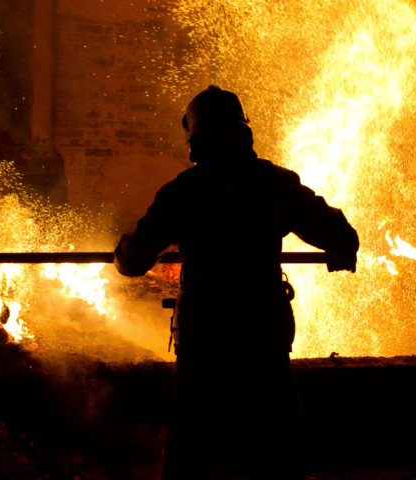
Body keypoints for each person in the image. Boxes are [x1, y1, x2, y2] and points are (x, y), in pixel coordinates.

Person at [114, 85, 359, 480]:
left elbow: (135, 259)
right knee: (276, 446)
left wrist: (122, 251)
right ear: (243, 133)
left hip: (206, 329)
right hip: (262, 326)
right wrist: (341, 249)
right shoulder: (274, 184)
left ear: (195, 142)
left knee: (190, 444)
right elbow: (338, 233)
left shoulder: (184, 193)